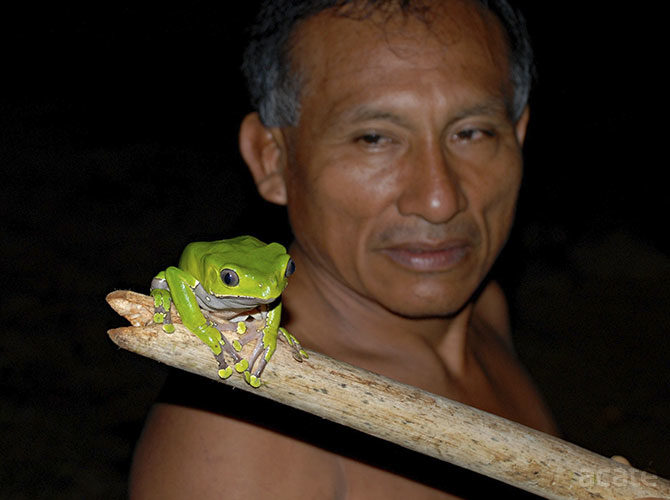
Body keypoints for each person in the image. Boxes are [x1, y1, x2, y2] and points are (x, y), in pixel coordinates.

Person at [129, 1, 562, 497]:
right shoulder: (244, 433)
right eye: (374, 138)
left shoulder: (486, 308)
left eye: (472, 132)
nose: (440, 200)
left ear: (519, 137)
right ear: (273, 160)